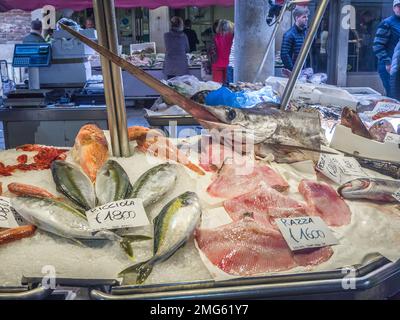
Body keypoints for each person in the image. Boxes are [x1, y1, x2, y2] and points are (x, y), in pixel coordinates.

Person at [373, 0, 400, 98]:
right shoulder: (387, 23)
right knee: (394, 97)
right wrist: (387, 62)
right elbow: (377, 45)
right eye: (398, 6)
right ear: (393, 8)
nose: (399, 8)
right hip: (389, 67)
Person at [280, 6, 310, 72]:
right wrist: (293, 70)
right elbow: (284, 55)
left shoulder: (305, 32)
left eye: (307, 17)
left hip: (302, 70)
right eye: (304, 17)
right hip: (292, 72)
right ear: (297, 18)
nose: (307, 19)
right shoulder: (289, 34)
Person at [211, 19, 234, 84]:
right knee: (229, 88)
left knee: (216, 87)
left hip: (216, 65)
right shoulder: (233, 37)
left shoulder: (215, 37)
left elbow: (211, 52)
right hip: (229, 65)